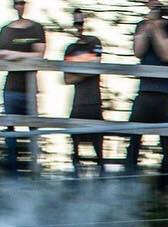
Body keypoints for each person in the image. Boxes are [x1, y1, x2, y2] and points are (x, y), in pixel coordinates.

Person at [124, 0, 168, 183]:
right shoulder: (142, 25)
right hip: (145, 91)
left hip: (165, 93)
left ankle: (165, 185)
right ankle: (129, 181)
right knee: (134, 138)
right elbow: (138, 52)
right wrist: (147, 26)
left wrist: (156, 28)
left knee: (165, 144)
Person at [0, 0, 46, 173]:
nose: (20, 6)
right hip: (11, 88)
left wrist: (13, 55)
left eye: (22, 2)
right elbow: (0, 56)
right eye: (17, 2)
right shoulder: (6, 30)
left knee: (33, 130)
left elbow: (39, 56)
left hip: (30, 90)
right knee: (10, 131)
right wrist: (27, 55)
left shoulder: (37, 28)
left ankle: (35, 172)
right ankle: (12, 173)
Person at [63, 10, 104, 174]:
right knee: (75, 150)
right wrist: (86, 68)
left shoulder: (94, 41)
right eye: (76, 23)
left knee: (98, 150)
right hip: (78, 104)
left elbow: (96, 67)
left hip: (94, 103)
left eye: (80, 23)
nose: (79, 26)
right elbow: (67, 79)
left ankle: (102, 179)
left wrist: (77, 68)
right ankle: (75, 180)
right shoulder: (70, 48)